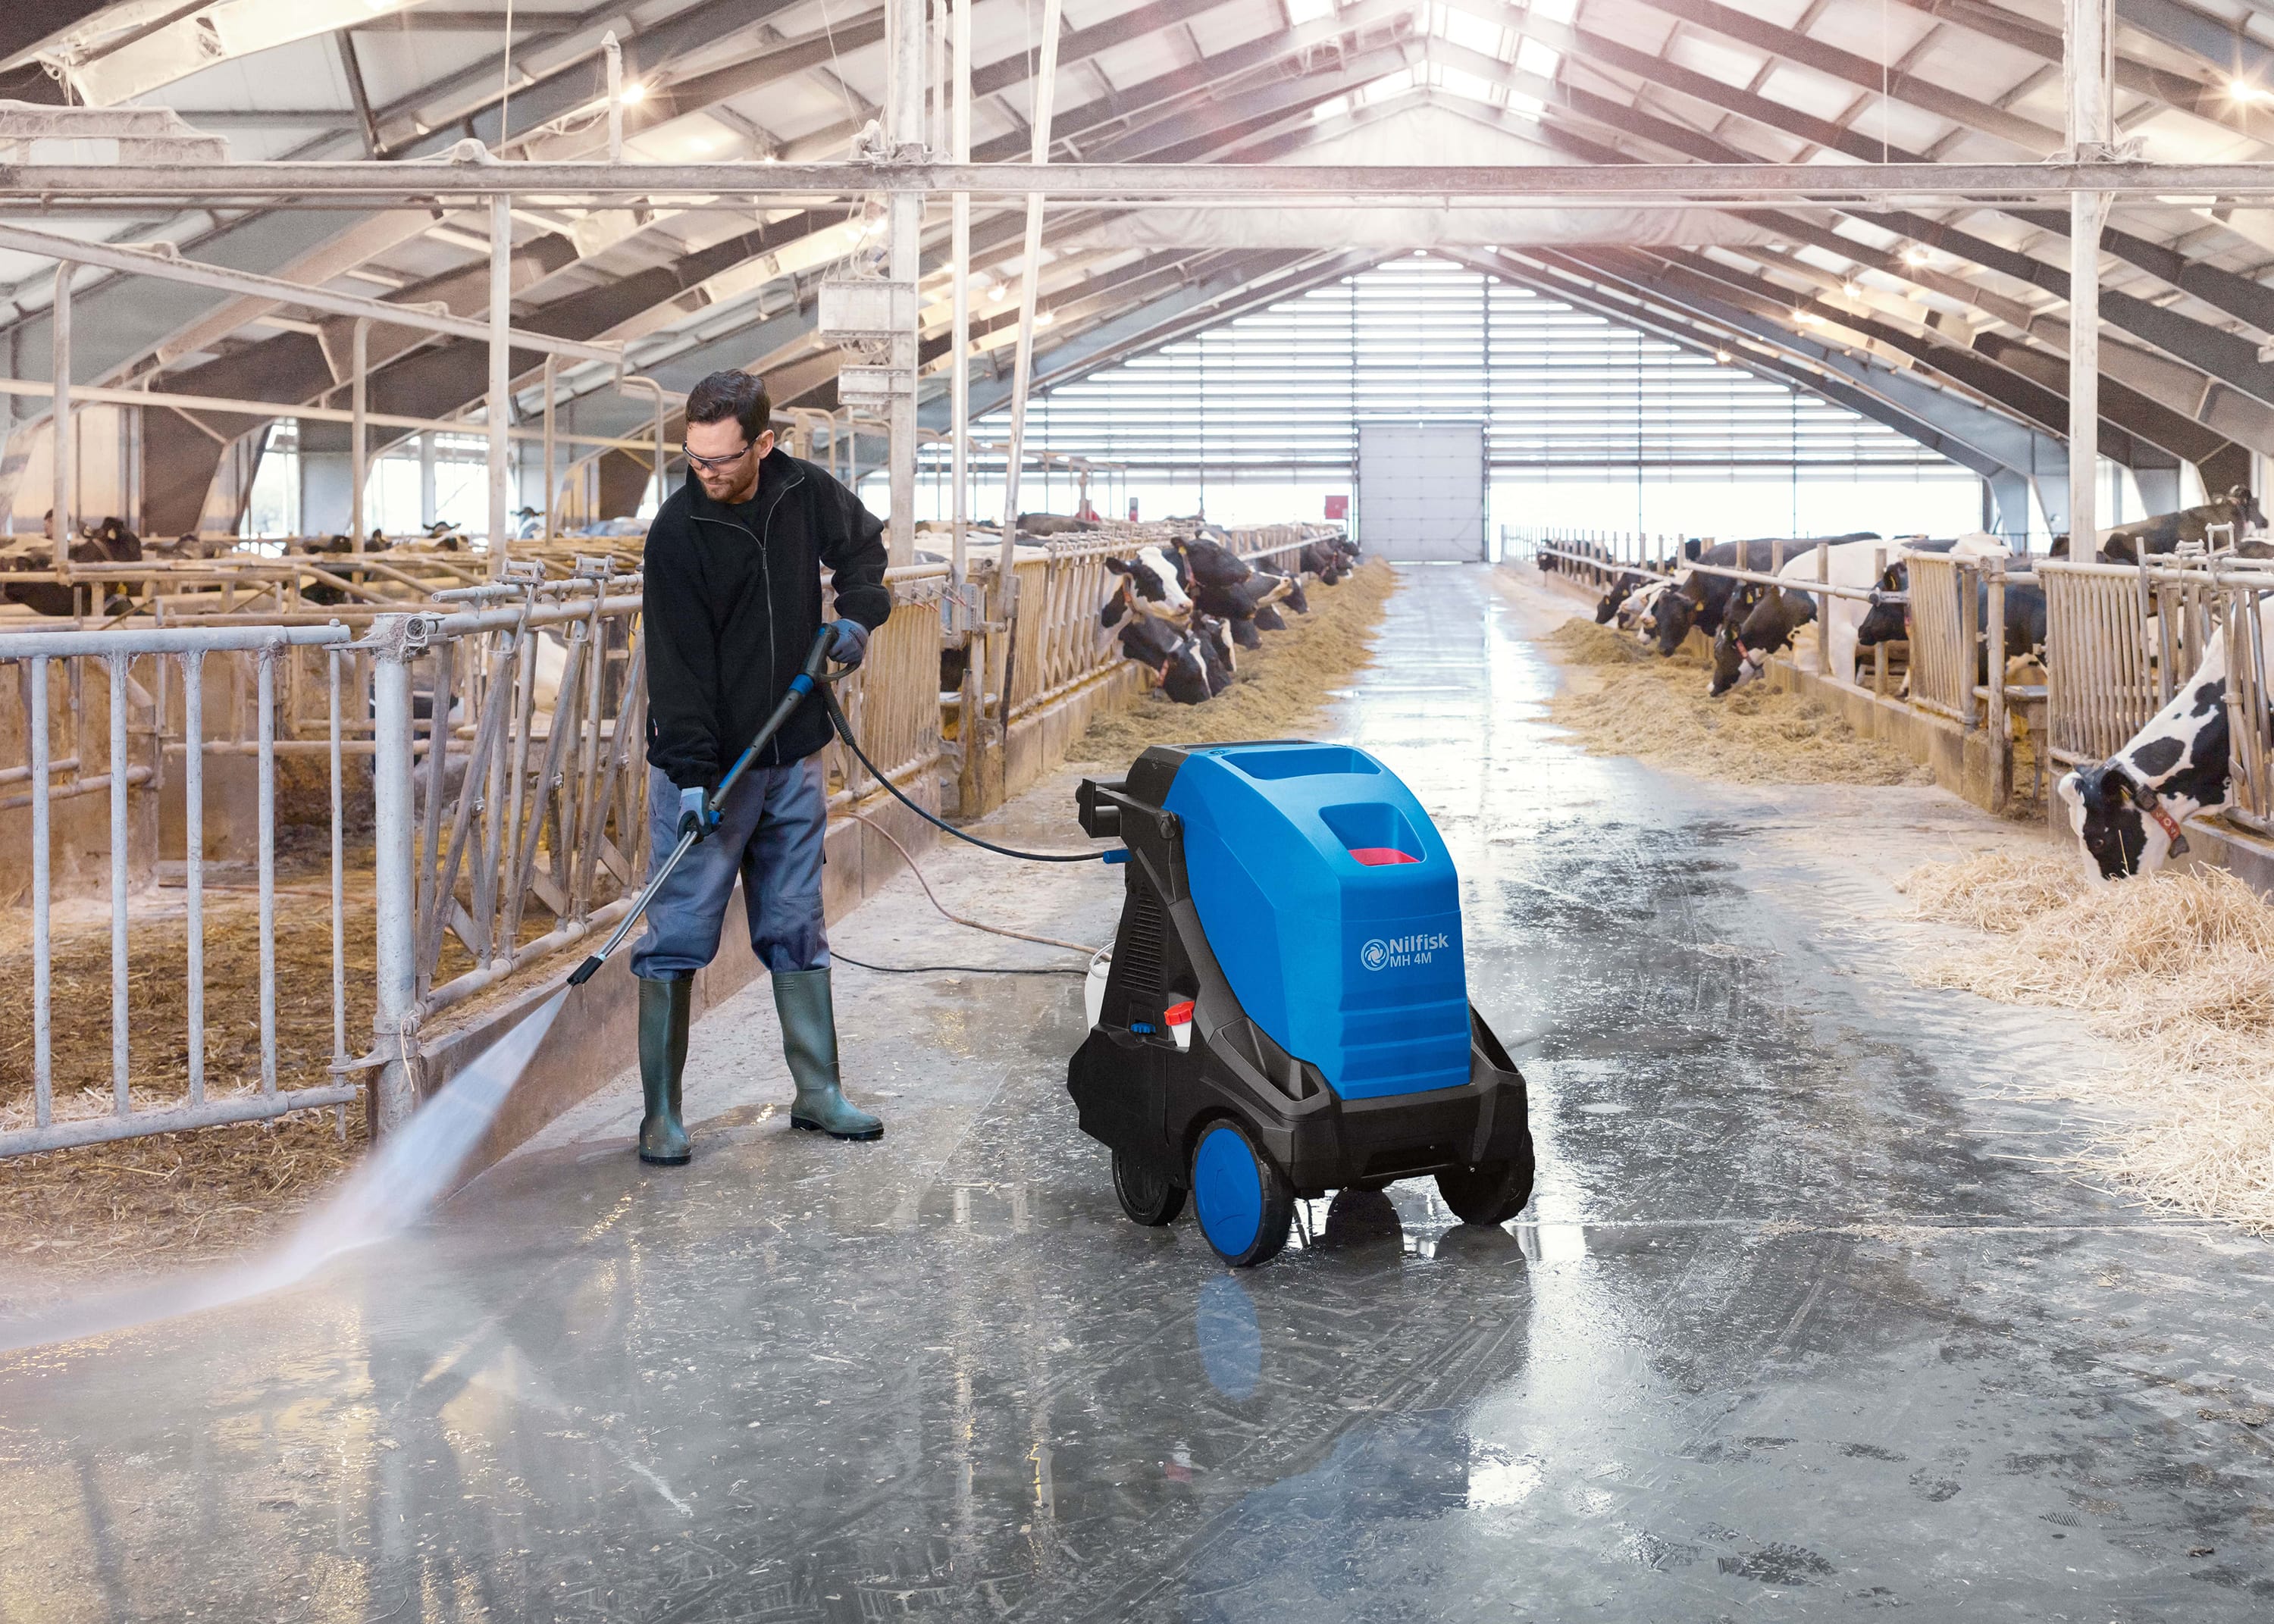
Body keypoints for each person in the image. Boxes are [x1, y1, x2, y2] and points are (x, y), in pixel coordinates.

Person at [629, 368, 892, 1165]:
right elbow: (674, 668)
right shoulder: (678, 532)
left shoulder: (803, 492)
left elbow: (864, 551)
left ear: (763, 443)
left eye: (721, 459)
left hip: (791, 755)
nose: (705, 473)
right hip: (709, 766)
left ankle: (816, 1092)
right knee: (677, 931)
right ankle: (662, 1115)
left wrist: (855, 618)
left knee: (794, 921)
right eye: (694, 457)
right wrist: (693, 773)